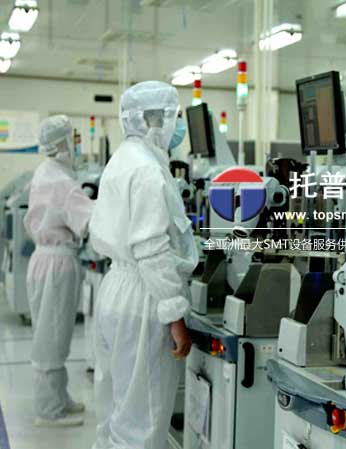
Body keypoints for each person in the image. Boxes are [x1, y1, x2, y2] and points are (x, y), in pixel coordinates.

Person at [90, 81, 197, 449]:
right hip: (143, 297)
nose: (177, 126)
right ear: (157, 119)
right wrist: (175, 314)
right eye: (175, 116)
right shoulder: (148, 170)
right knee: (142, 423)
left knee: (114, 412)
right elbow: (151, 248)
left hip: (116, 289)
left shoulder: (122, 159)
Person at [25, 115, 95, 427]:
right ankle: (48, 410)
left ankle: (59, 396)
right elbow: (87, 221)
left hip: (45, 260)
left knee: (53, 331)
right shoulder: (62, 182)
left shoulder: (47, 171)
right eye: (73, 137)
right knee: (52, 336)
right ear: (62, 143)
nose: (76, 142)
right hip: (57, 262)